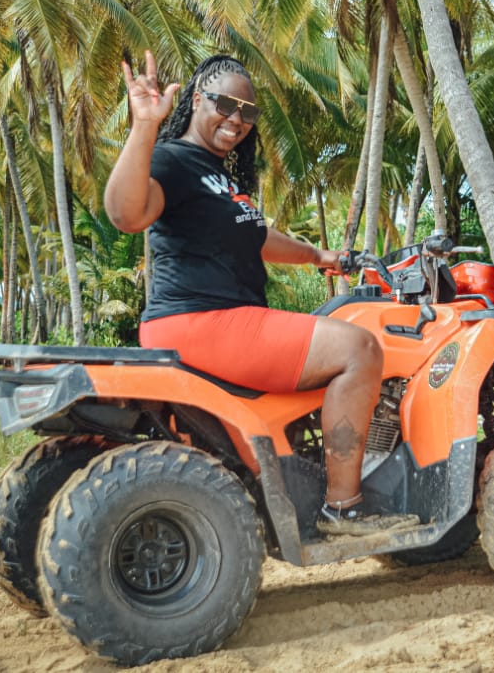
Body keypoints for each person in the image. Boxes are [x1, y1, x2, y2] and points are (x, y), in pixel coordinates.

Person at [104, 50, 419, 537]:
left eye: (248, 112)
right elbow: (127, 215)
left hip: (214, 322)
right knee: (360, 348)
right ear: (195, 99)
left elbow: (255, 237)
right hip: (203, 321)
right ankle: (345, 507)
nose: (236, 120)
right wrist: (144, 125)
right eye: (225, 104)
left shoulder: (218, 176)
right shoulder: (171, 160)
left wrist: (320, 256)